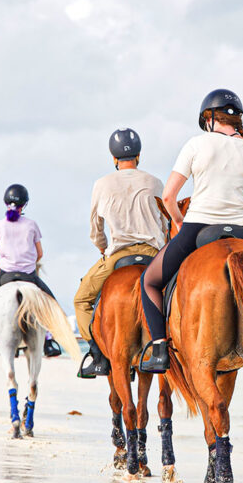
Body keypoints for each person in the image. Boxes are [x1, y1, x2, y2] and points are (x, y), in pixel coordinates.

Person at [138, 88, 243, 373]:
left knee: (149, 281)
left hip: (199, 224)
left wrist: (179, 222)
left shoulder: (196, 144)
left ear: (209, 118)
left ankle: (159, 348)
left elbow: (169, 197)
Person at [73, 128, 166, 378]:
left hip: (118, 255)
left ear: (113, 158)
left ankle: (98, 355)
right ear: (139, 155)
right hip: (153, 254)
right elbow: (164, 223)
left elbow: (95, 227)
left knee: (81, 300)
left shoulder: (102, 184)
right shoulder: (155, 182)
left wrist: (102, 246)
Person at [0, 184, 61, 356]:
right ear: (24, 204)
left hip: (6, 275)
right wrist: (28, 264)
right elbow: (40, 254)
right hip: (29, 276)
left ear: (5, 203)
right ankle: (49, 340)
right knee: (51, 303)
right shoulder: (32, 225)